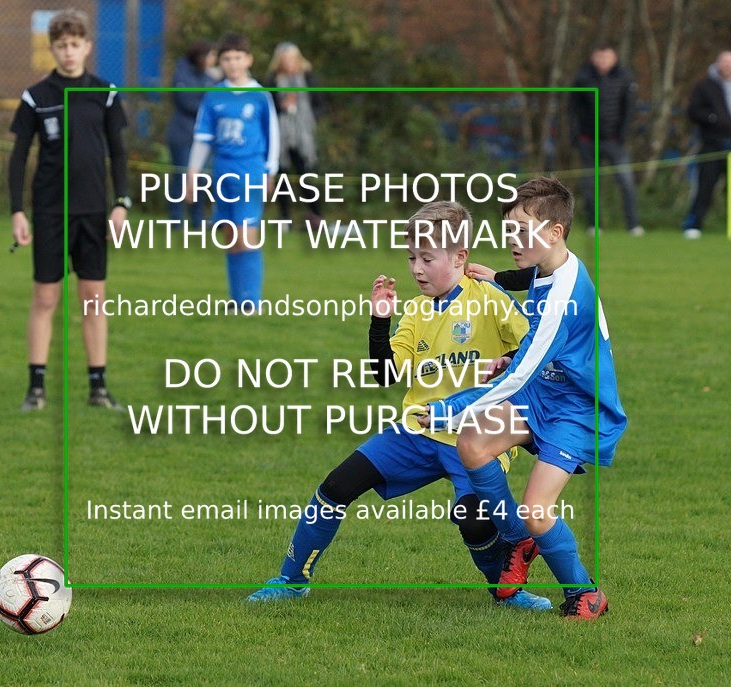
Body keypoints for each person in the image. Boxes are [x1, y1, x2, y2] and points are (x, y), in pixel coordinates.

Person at [247, 201, 552, 611]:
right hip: (418, 430)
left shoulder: (491, 300)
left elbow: (538, 349)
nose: (416, 269)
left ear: (460, 257)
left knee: (474, 517)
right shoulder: (416, 311)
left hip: (476, 438)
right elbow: (387, 375)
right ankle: (291, 580)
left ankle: (508, 593)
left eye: (427, 258)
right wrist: (379, 321)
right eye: (411, 257)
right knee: (336, 487)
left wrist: (508, 362)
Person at [421, 178, 627, 619]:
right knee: (473, 445)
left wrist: (447, 408)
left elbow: (516, 378)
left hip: (576, 409)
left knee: (537, 510)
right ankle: (517, 538)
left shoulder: (566, 298)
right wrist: (496, 276)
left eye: (521, 229)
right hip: (545, 393)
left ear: (555, 231)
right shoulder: (549, 264)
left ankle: (585, 592)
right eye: (508, 229)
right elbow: (528, 277)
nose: (511, 239)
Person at [9, 8, 129, 412]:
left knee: (93, 298)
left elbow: (119, 153)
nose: (69, 52)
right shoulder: (35, 97)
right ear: (53, 49)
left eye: (75, 45)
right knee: (45, 298)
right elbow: (18, 157)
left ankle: (98, 386)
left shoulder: (105, 92)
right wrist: (16, 211)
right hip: (48, 212)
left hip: (94, 212)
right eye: (61, 46)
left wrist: (121, 203)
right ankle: (35, 388)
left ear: (87, 47)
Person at [187, 32, 278, 313]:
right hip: (222, 172)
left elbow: (273, 136)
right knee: (229, 235)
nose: (233, 63)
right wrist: (192, 173)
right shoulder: (214, 96)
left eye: (238, 57)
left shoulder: (260, 95)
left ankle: (252, 301)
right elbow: (203, 138)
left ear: (248, 59)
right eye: (226, 58)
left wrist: (270, 173)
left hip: (250, 172)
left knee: (246, 234)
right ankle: (237, 299)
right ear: (220, 62)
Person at [570, 45, 644, 236]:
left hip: (614, 141)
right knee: (590, 185)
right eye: (599, 57)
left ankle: (633, 225)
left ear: (614, 58)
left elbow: (629, 110)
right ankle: (594, 224)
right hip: (588, 141)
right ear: (593, 58)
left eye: (607, 57)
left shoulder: (625, 78)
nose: (603, 61)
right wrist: (577, 137)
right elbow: (572, 110)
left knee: (626, 183)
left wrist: (622, 135)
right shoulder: (582, 78)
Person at [264, 42, 323, 227]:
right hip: (280, 136)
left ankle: (316, 216)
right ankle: (284, 219)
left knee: (307, 176)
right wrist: (281, 108)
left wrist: (307, 119)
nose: (289, 62)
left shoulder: (308, 78)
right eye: (285, 59)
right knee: (282, 177)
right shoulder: (272, 81)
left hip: (304, 136)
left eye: (292, 58)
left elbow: (320, 105)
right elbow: (267, 108)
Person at [165, 40, 218, 226]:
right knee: (182, 176)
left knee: (201, 179)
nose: (214, 59)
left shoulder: (209, 76)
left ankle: (198, 220)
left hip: (202, 137)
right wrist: (209, 108)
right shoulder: (182, 74)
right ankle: (176, 220)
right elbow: (186, 101)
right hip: (182, 135)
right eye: (211, 55)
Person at [681, 51, 731, 239]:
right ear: (717, 64)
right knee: (705, 186)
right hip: (713, 144)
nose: (727, 66)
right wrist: (713, 118)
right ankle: (694, 225)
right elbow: (693, 111)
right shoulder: (704, 86)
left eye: (730, 63)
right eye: (724, 62)